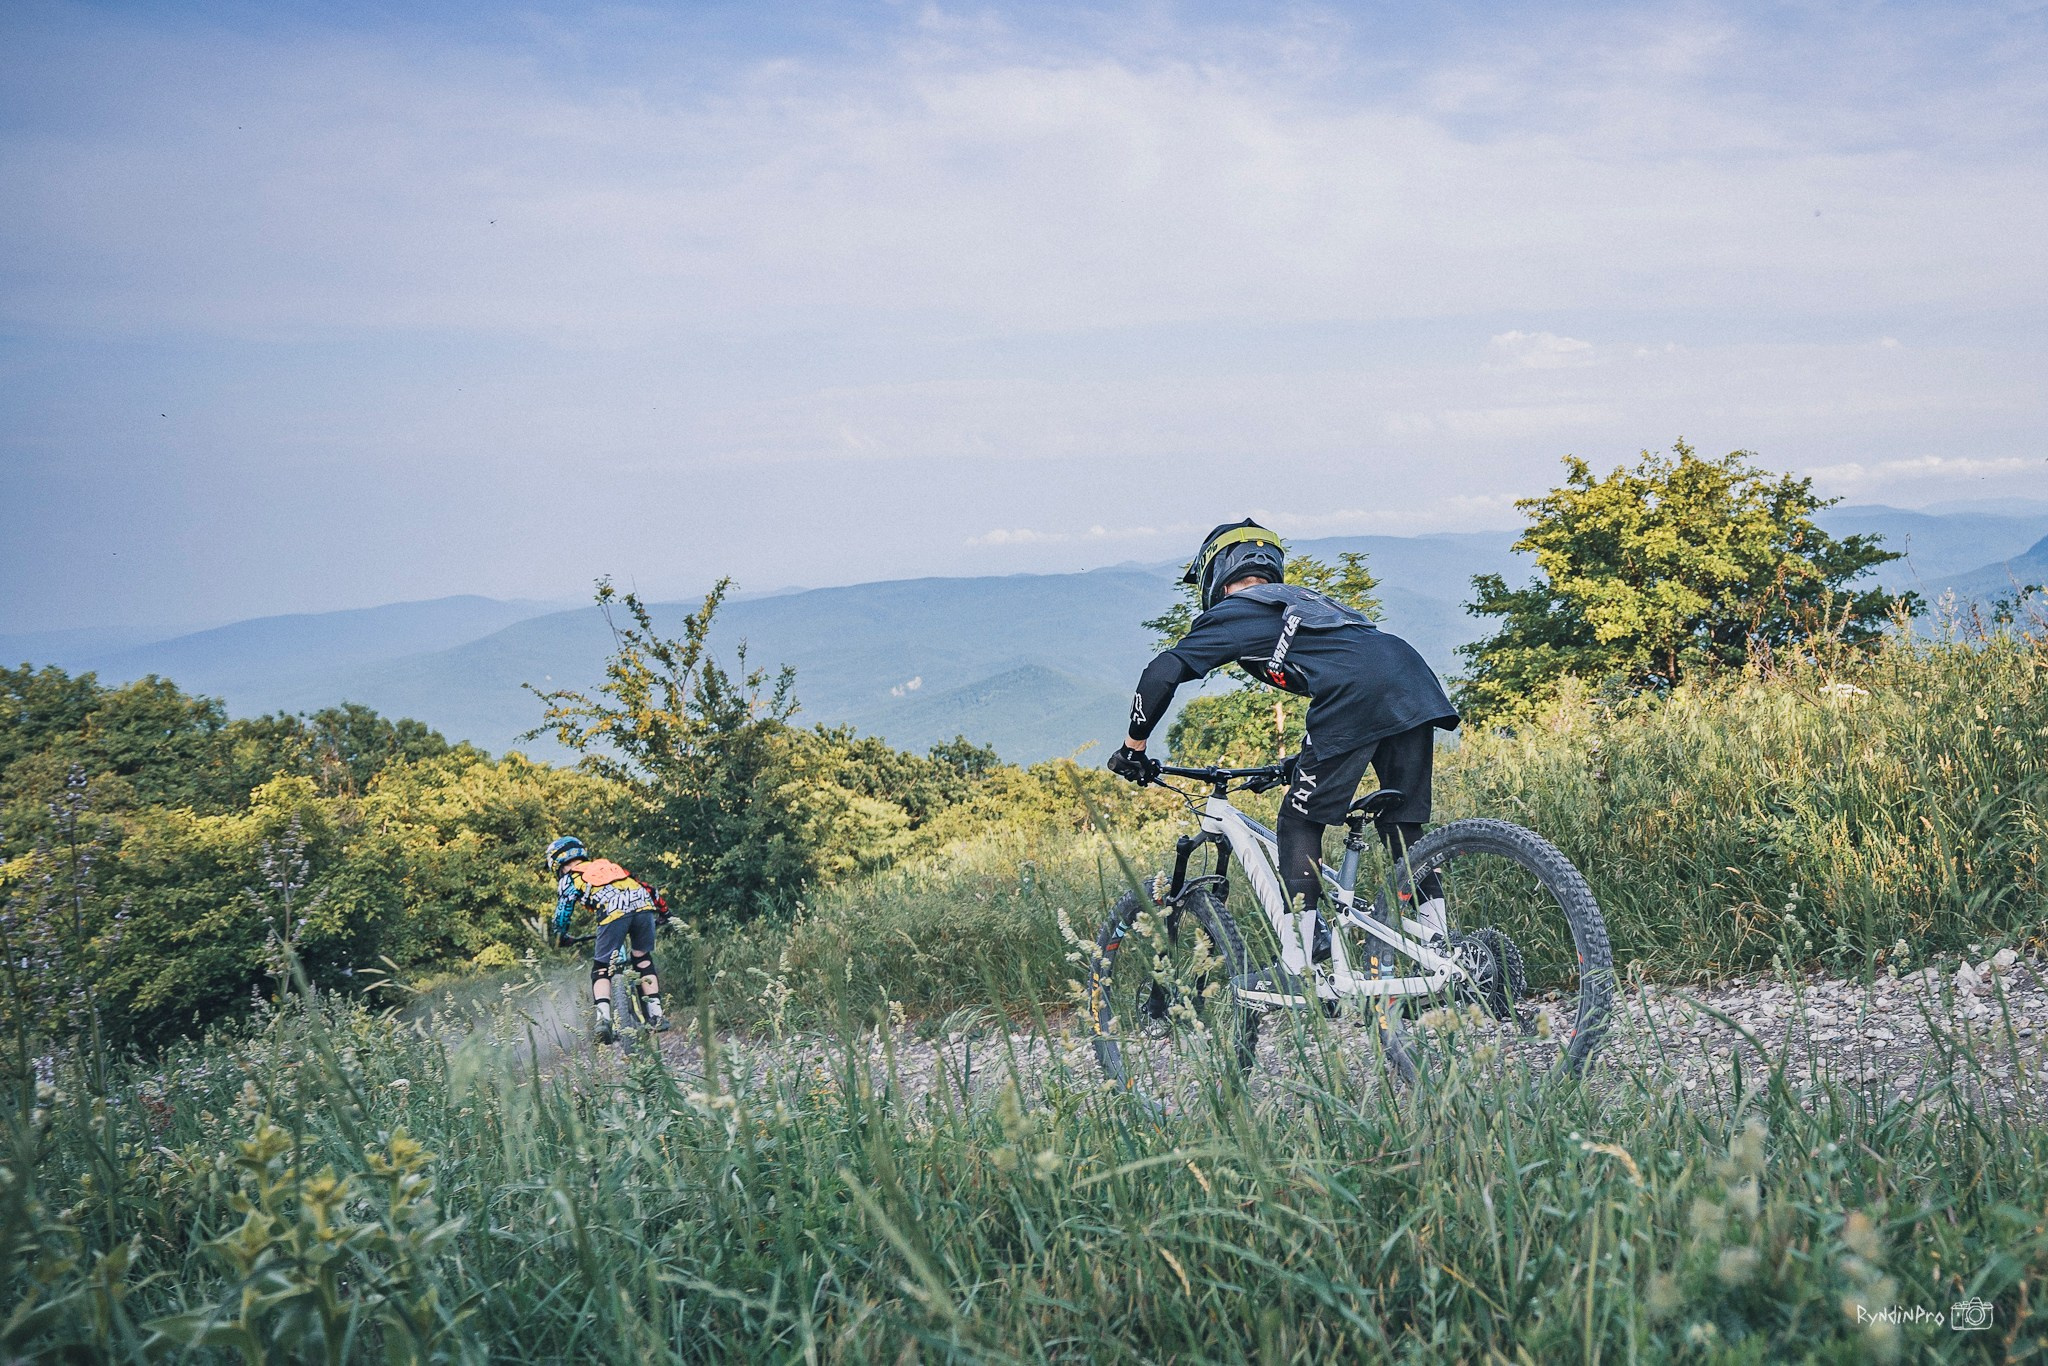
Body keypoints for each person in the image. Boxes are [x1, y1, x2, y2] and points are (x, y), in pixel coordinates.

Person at [1106, 519, 1460, 997]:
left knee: (1297, 821)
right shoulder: (1302, 600)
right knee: (1402, 825)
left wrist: (1134, 746)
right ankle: (1442, 948)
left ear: (1216, 573)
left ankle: (1298, 965)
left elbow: (1162, 670)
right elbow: (1348, 663)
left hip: (1357, 694)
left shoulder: (1236, 609)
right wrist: (1306, 758)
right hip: (1410, 678)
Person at [547, 836, 671, 1042]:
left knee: (601, 966)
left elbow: (564, 908)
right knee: (642, 957)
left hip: (613, 914)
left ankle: (603, 1020)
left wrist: (560, 935)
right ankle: (657, 1014)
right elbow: (648, 889)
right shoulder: (608, 866)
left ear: (556, 863)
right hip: (644, 907)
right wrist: (665, 913)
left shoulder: (570, 878)